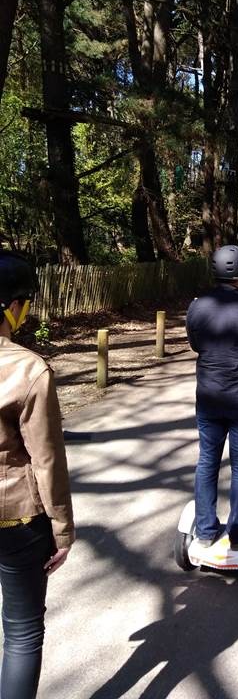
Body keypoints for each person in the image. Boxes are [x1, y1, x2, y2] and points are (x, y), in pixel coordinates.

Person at [0, 250, 74, 699]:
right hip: (16, 518)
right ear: (14, 306)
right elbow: (46, 459)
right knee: (22, 633)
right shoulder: (28, 369)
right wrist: (62, 530)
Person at [186, 245, 238, 550]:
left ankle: (206, 530)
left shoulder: (197, 307)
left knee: (207, 460)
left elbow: (196, 345)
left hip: (208, 397)